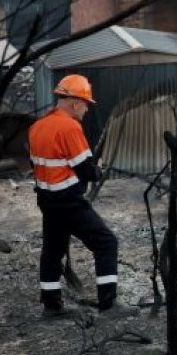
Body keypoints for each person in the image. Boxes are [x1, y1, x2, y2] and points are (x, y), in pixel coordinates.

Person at [28, 74, 138, 319]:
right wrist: (98, 170)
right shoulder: (69, 127)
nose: (87, 109)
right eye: (86, 104)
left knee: (52, 250)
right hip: (68, 202)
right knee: (106, 242)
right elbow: (86, 170)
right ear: (75, 101)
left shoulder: (37, 127)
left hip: (47, 200)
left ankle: (51, 306)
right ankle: (108, 305)